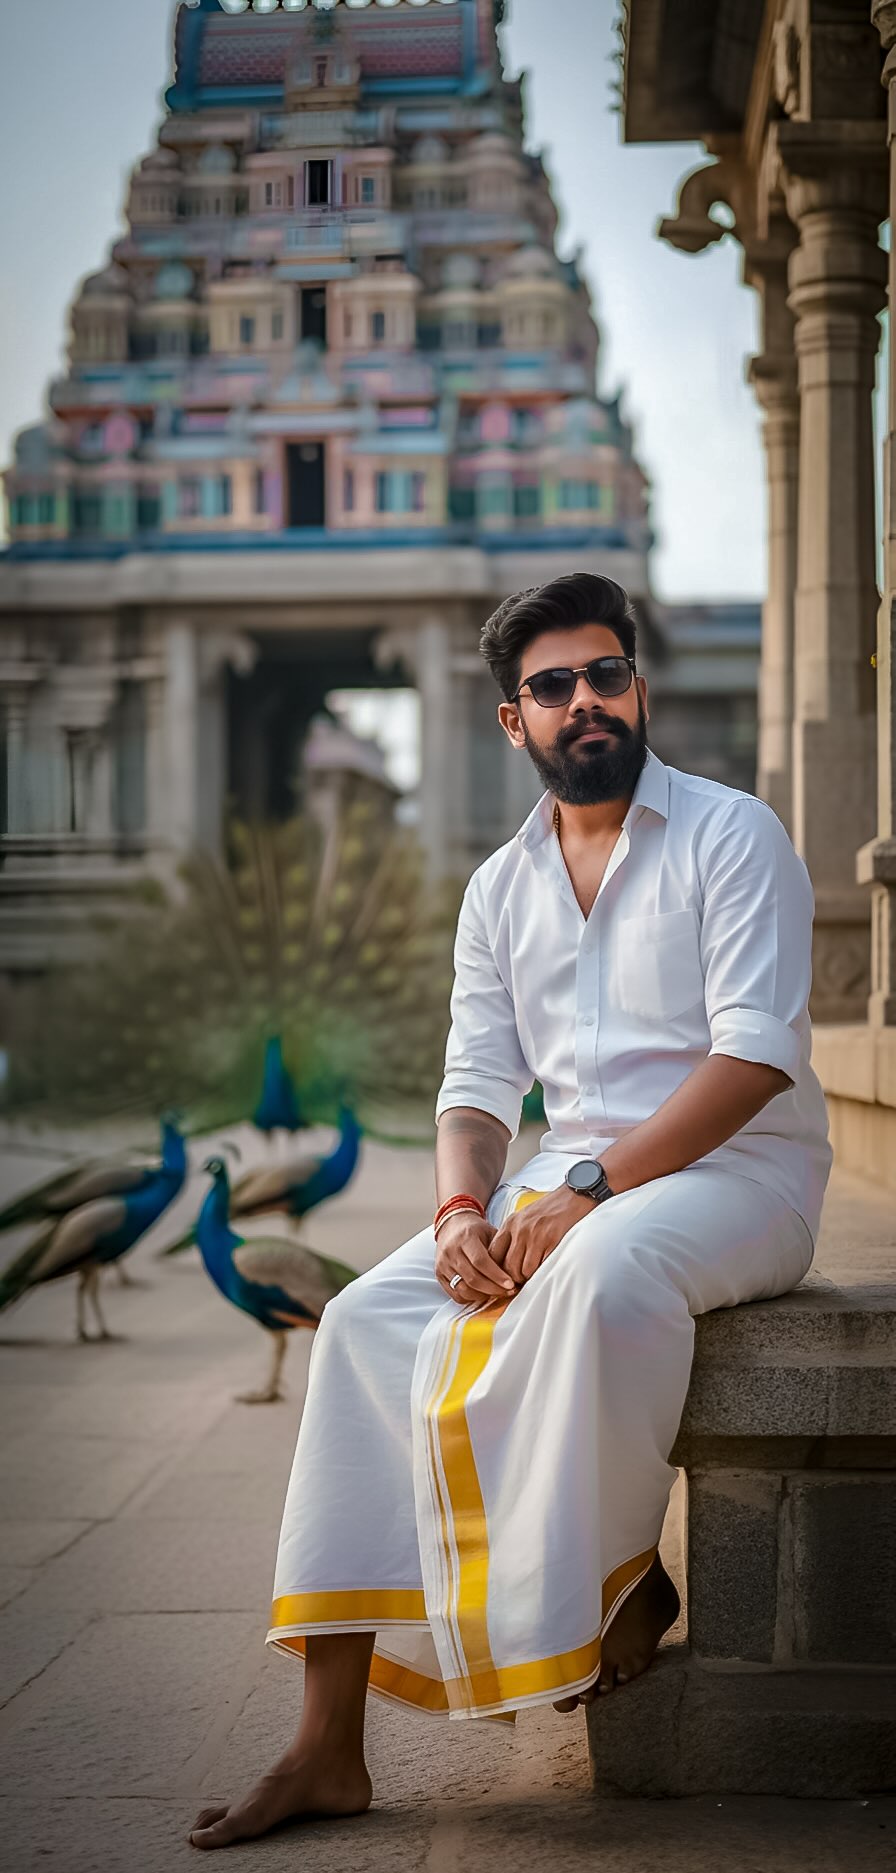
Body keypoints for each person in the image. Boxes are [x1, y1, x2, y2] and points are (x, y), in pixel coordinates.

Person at [188, 571, 832, 1850]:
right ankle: (325, 1744)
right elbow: (475, 1084)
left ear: (636, 688)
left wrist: (586, 1188)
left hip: (741, 1174)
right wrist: (459, 1211)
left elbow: (753, 1054)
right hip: (569, 1181)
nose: (583, 700)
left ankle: (614, 1588)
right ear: (512, 720)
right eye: (552, 686)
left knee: (596, 1276)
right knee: (370, 1317)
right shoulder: (499, 889)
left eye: (603, 674)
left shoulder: (729, 832)